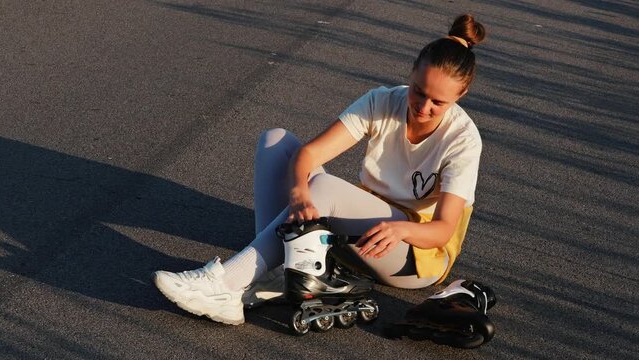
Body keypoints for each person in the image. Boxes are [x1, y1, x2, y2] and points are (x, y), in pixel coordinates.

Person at [154, 14, 486, 325]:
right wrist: (299, 193)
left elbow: (443, 230)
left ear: (462, 95)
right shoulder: (383, 101)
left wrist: (401, 231)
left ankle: (225, 284)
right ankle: (276, 269)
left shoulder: (463, 140)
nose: (423, 107)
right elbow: (308, 154)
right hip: (361, 233)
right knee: (277, 142)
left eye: (438, 103)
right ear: (411, 74)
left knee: (325, 188)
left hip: (415, 256)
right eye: (418, 91)